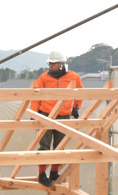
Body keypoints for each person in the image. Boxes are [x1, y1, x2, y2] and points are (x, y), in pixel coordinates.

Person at [29, 50, 83, 187]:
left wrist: (76, 107)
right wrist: (34, 113)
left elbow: (80, 92)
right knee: (44, 147)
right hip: (45, 115)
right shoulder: (44, 77)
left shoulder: (74, 77)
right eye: (49, 64)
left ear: (62, 64)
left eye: (53, 64)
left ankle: (53, 172)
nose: (50, 66)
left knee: (60, 146)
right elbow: (36, 97)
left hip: (64, 116)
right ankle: (41, 175)